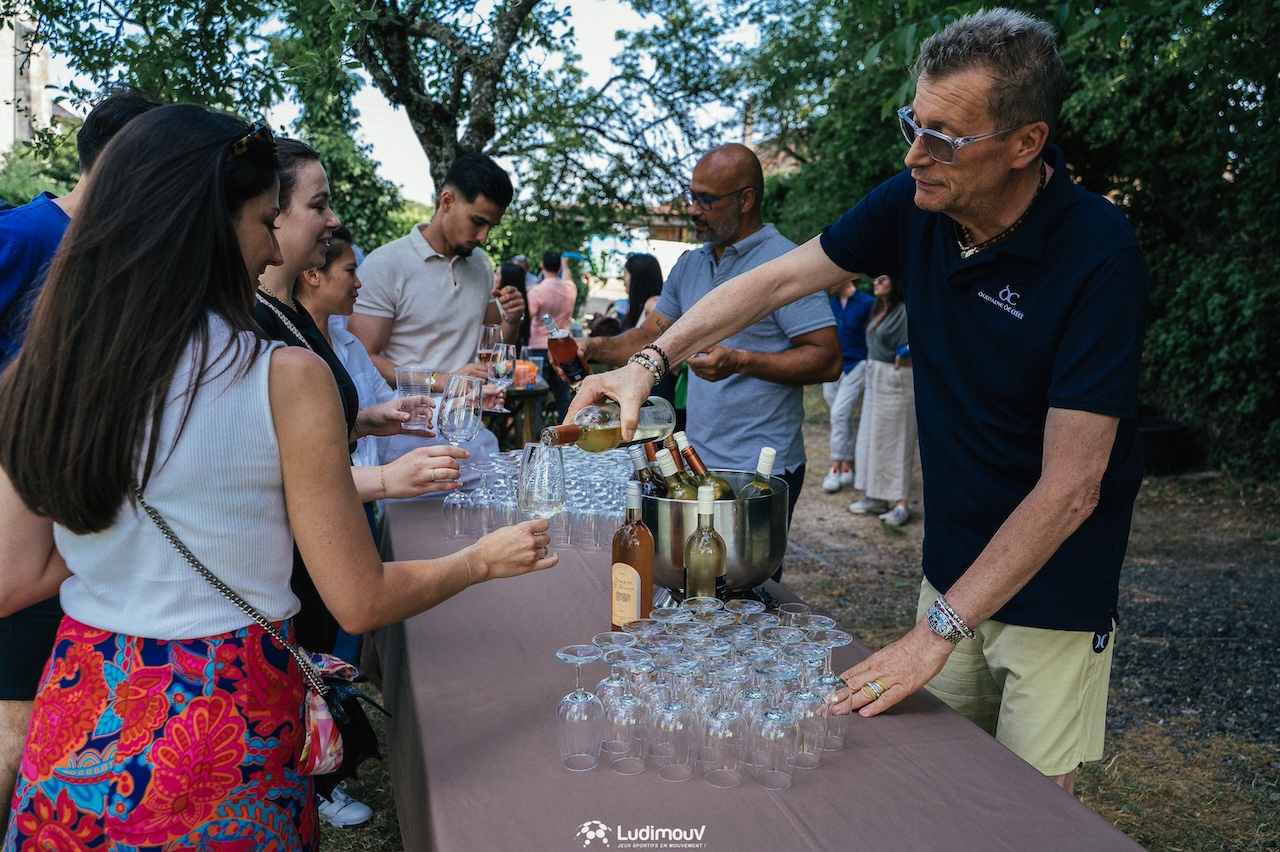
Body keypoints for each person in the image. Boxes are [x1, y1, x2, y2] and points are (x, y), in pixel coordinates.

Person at [568, 8, 1148, 794]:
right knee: (940, 785)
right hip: (952, 563)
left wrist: (933, 636)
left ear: (1026, 143)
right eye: (915, 121)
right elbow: (773, 280)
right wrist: (650, 359)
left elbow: (1074, 485)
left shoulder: (1098, 251)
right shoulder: (915, 202)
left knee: (1029, 809)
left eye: (945, 136)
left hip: (1055, 583)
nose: (916, 154)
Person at [0, 105, 555, 848]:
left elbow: (14, 575)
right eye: (266, 219)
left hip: (80, 701)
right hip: (222, 708)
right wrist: (483, 560)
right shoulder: (283, 376)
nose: (269, 250)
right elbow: (359, 600)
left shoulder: (36, 371)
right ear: (208, 225)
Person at [254, 139, 465, 827]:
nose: (330, 220)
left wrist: (370, 414)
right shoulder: (253, 323)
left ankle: (316, 781)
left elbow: (312, 427)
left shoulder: (290, 317)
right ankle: (317, 783)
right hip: (287, 560)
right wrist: (385, 479)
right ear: (267, 213)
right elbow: (276, 469)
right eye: (317, 204)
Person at [0, 87, 160, 836]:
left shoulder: (126, 256)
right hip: (23, 518)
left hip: (90, 534)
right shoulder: (24, 236)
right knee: (11, 730)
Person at [578, 143, 842, 570]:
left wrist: (741, 360)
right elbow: (651, 336)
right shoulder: (691, 264)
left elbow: (827, 359)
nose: (693, 211)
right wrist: (594, 348)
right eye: (691, 197)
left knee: (745, 588)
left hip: (759, 470)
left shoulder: (787, 262)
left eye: (706, 200)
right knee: (693, 579)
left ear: (746, 199)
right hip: (693, 461)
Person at [347, 152, 524, 389]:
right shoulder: (386, 264)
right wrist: (437, 380)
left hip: (464, 418)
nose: (484, 237)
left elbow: (492, 350)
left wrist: (512, 318)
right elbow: (362, 357)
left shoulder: (481, 264)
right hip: (402, 420)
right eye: (477, 221)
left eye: (491, 226)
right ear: (447, 201)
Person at [845, 275, 916, 526]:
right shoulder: (880, 308)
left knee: (897, 440)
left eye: (883, 279)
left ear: (896, 284)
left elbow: (922, 336)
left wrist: (905, 351)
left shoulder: (905, 309)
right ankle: (875, 495)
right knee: (872, 438)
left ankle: (901, 503)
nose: (876, 282)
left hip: (896, 379)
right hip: (876, 377)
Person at [821, 277, 875, 493]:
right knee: (842, 418)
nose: (827, 283)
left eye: (831, 280)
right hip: (833, 368)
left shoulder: (867, 303)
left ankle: (835, 467)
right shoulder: (830, 305)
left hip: (856, 365)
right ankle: (850, 466)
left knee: (839, 415)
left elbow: (874, 334)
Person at [525, 251, 578, 420]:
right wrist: (565, 264)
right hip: (563, 346)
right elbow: (568, 277)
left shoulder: (537, 291)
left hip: (538, 348)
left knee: (536, 397)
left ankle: (535, 438)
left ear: (542, 266)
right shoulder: (570, 288)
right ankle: (568, 435)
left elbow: (527, 318)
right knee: (563, 395)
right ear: (559, 267)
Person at [496, 261, 532, 351]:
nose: (494, 278)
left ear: (505, 278)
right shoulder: (524, 301)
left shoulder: (509, 305)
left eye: (497, 274)